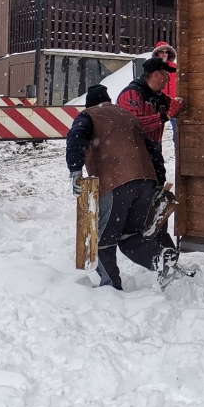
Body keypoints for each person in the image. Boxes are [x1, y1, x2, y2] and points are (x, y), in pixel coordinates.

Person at [66, 84, 179, 289]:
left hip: (116, 181)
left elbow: (75, 137)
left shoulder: (89, 115)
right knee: (130, 236)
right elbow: (153, 150)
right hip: (146, 181)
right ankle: (162, 259)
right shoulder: (128, 116)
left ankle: (110, 288)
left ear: (90, 103)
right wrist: (157, 183)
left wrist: (75, 171)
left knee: (102, 241)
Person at [117, 57, 184, 186]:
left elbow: (174, 105)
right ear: (156, 74)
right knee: (141, 189)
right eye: (167, 74)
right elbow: (134, 124)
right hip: (133, 152)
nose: (169, 79)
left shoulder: (158, 96)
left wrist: (179, 104)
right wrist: (166, 116)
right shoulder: (132, 93)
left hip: (153, 150)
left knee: (157, 185)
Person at [152, 41, 180, 150]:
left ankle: (178, 156)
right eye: (161, 52)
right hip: (157, 104)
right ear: (157, 53)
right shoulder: (152, 68)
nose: (164, 54)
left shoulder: (175, 67)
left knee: (177, 135)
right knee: (155, 136)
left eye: (166, 52)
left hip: (172, 103)